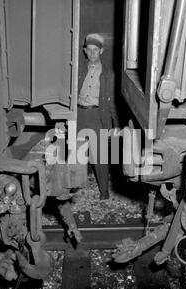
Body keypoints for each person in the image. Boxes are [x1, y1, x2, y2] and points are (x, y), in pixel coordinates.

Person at [77, 33, 119, 200]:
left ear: (101, 51)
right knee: (76, 153)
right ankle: (74, 190)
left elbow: (113, 102)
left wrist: (115, 125)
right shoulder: (78, 70)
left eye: (96, 50)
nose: (92, 53)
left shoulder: (109, 74)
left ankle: (104, 192)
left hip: (97, 115)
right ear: (85, 51)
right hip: (79, 114)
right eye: (89, 50)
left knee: (100, 156)